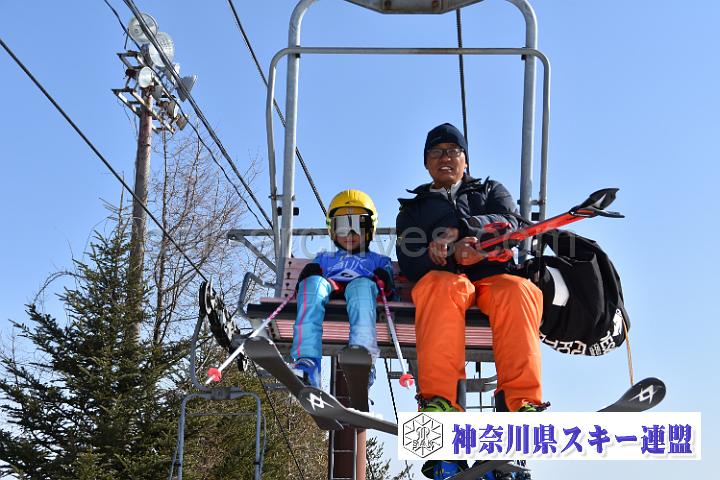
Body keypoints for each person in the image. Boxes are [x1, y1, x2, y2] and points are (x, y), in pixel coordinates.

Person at [395, 123, 544, 479]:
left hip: (493, 275)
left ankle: (519, 411)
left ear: (465, 159)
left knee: (520, 292)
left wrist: (467, 232)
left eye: (453, 151)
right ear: (426, 163)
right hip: (447, 279)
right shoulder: (413, 209)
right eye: (436, 152)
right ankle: (439, 420)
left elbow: (513, 223)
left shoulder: (490, 191)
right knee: (438, 288)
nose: (445, 157)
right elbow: (409, 258)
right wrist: (446, 254)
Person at [288, 189, 394, 389]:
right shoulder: (325, 258)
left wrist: (383, 276)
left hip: (362, 293)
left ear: (370, 229)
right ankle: (308, 362)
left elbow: (388, 284)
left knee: (361, 287)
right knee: (313, 285)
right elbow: (308, 281)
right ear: (332, 230)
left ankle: (362, 357)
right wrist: (309, 274)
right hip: (330, 290)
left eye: (358, 226)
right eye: (343, 227)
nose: (350, 235)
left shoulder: (378, 260)